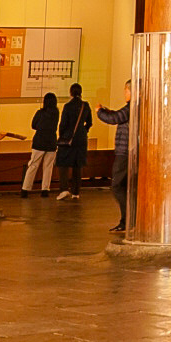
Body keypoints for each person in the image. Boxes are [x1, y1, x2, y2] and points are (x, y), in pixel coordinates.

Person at [96, 79, 131, 232]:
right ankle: (128, 219)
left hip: (124, 152)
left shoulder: (131, 108)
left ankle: (127, 220)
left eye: (126, 90)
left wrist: (100, 112)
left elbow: (114, 118)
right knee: (123, 186)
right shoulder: (134, 108)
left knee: (117, 185)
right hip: (127, 152)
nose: (124, 93)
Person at [55, 84, 92, 200]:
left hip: (68, 137)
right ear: (81, 92)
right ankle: (76, 192)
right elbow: (89, 122)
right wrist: (83, 131)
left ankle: (64, 189)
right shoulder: (85, 106)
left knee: (63, 163)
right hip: (81, 138)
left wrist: (62, 136)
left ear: (71, 93)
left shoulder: (67, 106)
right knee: (78, 164)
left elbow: (63, 124)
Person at [21, 92, 59, 198]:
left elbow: (33, 125)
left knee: (33, 165)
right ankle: (45, 189)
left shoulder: (40, 113)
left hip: (39, 142)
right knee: (48, 167)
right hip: (51, 142)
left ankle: (25, 189)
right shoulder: (56, 113)